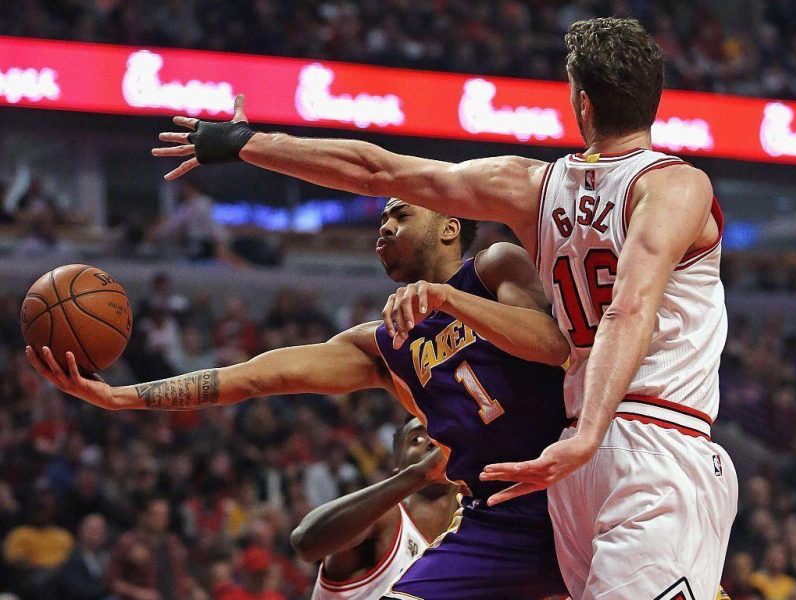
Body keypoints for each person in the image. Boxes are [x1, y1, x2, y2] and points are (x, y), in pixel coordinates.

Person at [148, 16, 737, 598]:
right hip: (653, 436)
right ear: (655, 102)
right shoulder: (675, 185)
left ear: (581, 105)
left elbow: (377, 170)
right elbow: (628, 308)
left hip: (578, 463)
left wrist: (246, 144)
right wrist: (585, 434)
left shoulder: (529, 185)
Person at [28, 197, 570, 598]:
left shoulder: (495, 265)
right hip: (495, 523)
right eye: (382, 218)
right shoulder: (382, 346)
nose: (384, 226)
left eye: (401, 214)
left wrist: (449, 301)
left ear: (451, 226)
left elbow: (549, 345)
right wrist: (121, 397)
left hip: (576, 492)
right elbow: (255, 377)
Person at [291, 418, 457, 599]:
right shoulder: (385, 519)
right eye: (416, 439)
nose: (434, 442)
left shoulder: (470, 539)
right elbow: (306, 541)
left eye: (442, 435)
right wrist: (421, 474)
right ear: (398, 464)